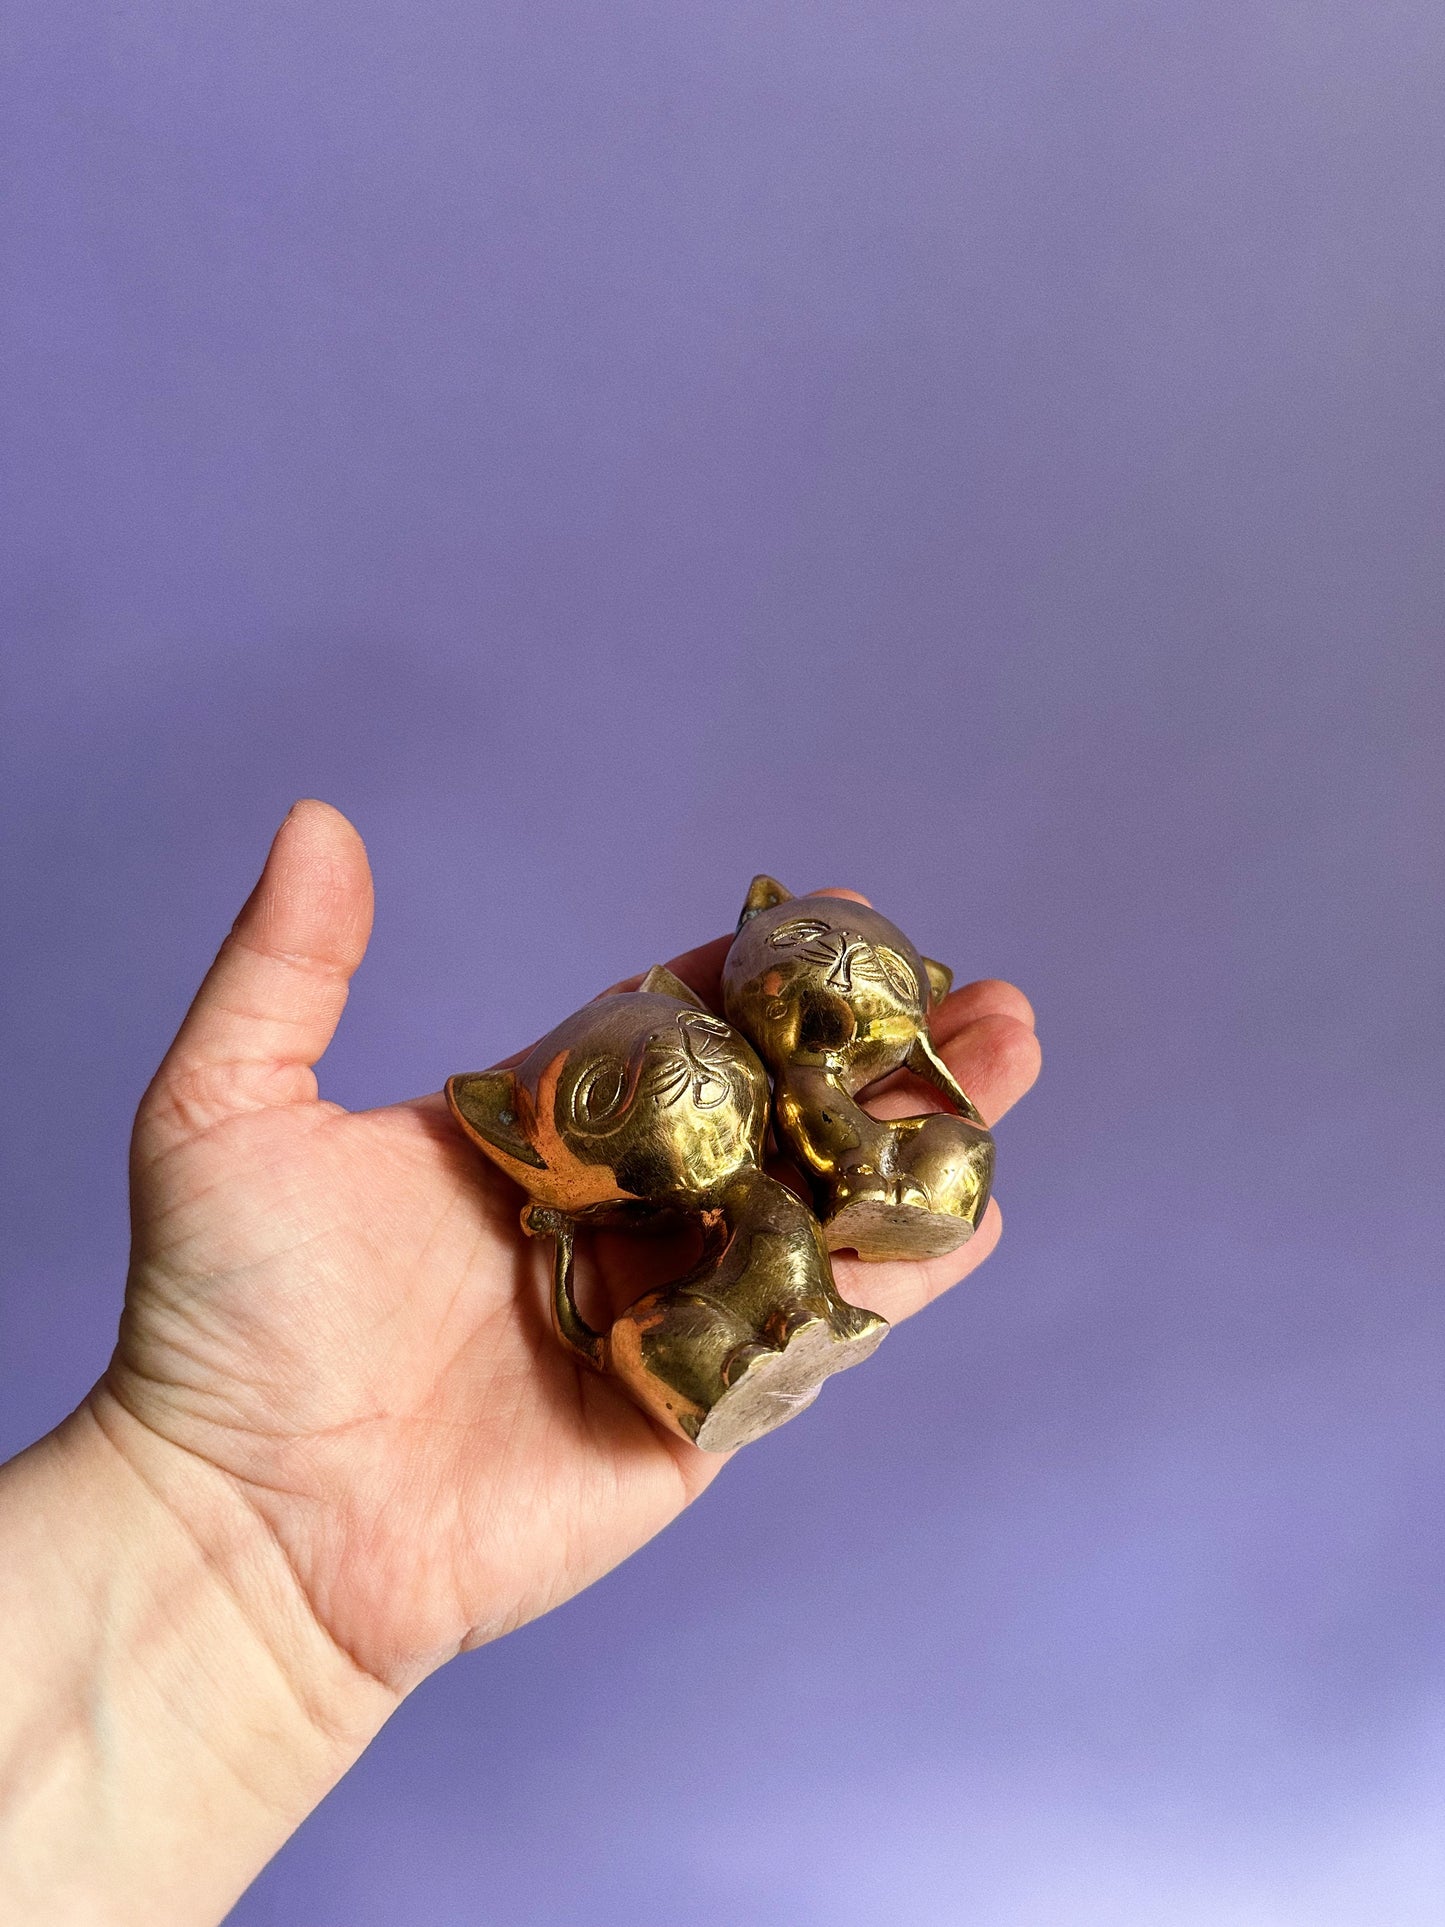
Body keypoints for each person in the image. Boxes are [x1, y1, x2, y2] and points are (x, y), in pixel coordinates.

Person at [0, 801, 1041, 1925]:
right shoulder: (658, 1059)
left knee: (826, 1217)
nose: (829, 1005)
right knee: (735, 1259)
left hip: (757, 1202)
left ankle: (777, 1311)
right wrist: (196, 1496)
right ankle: (699, 1344)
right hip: (658, 1212)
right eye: (802, 961)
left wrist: (864, 1148)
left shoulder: (789, 1096)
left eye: (879, 1005)